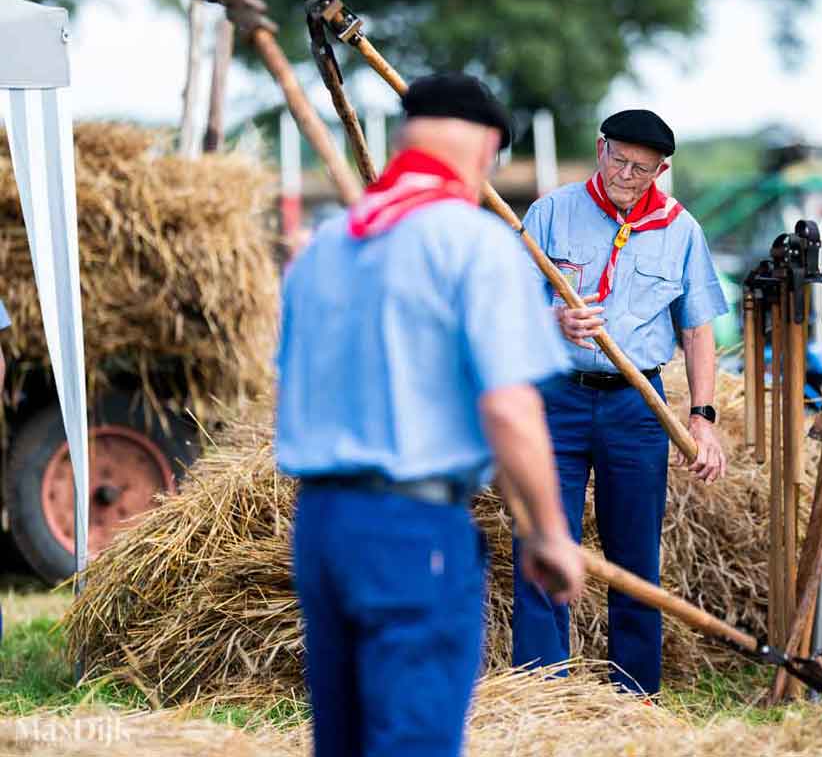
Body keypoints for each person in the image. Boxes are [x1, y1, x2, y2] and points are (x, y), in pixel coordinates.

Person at [275, 73, 585, 757]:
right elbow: (508, 404)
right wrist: (550, 532)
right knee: (413, 736)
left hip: (321, 523)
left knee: (345, 740)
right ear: (485, 152)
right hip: (413, 527)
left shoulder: (324, 249)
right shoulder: (471, 243)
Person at [511, 108, 729, 695]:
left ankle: (634, 693)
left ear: (662, 169)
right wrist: (553, 320)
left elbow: (698, 330)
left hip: (638, 405)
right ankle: (539, 693)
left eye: (642, 168)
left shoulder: (681, 229)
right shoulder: (550, 213)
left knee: (635, 552)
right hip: (554, 397)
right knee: (540, 536)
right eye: (618, 160)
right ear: (601, 147)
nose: (626, 176)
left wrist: (702, 419)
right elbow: (505, 307)